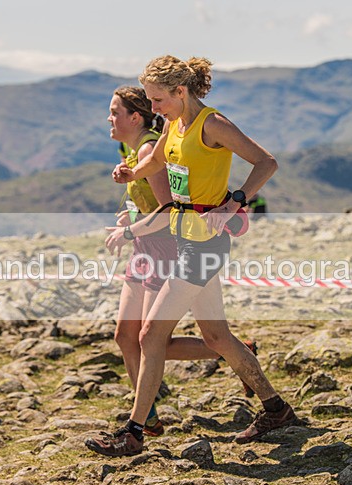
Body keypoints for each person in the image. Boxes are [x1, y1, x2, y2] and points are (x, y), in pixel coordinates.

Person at [86, 56, 297, 457]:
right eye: (149, 101)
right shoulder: (173, 124)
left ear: (181, 92)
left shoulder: (212, 125)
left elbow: (266, 162)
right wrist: (133, 174)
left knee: (150, 335)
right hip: (188, 240)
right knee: (216, 337)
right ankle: (276, 408)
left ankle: (133, 432)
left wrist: (235, 200)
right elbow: (157, 160)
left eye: (158, 100)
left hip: (204, 247)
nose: (154, 109)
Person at [102, 86, 253, 437]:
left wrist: (131, 229)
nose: (108, 119)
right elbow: (143, 201)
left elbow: (170, 206)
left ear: (134, 117)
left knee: (154, 339)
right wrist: (129, 216)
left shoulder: (150, 147)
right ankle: (149, 416)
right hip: (144, 248)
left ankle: (235, 355)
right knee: (125, 335)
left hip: (167, 247)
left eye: (114, 112)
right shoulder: (130, 148)